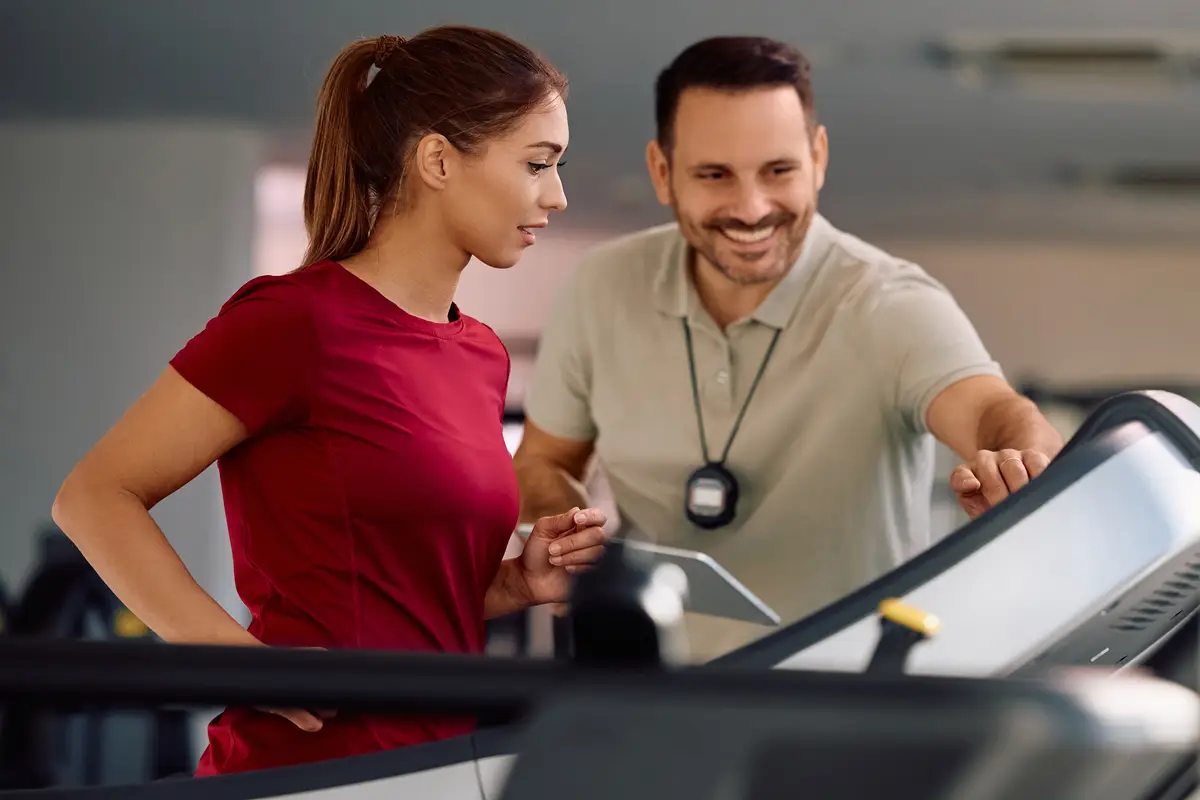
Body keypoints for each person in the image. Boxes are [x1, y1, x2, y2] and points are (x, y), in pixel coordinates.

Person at [50, 27, 608, 776]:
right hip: (306, 770)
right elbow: (93, 496)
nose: (558, 194)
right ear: (439, 160)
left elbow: (394, 597)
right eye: (537, 164)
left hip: (441, 769)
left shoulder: (480, 354)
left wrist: (516, 582)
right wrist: (233, 661)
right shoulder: (295, 323)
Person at [513, 36, 1063, 661]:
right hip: (650, 694)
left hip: (846, 701)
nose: (751, 208)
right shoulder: (600, 288)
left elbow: (993, 412)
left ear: (818, 158)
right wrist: (566, 533)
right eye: (715, 174)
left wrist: (1022, 463)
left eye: (779, 171)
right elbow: (544, 461)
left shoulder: (889, 302)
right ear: (662, 173)